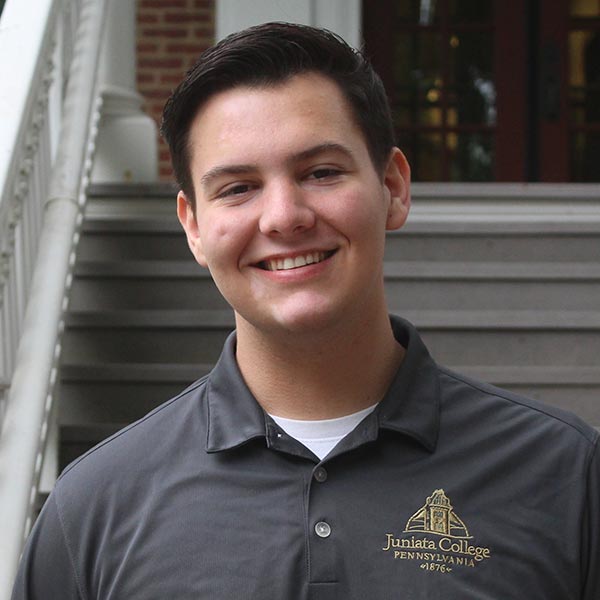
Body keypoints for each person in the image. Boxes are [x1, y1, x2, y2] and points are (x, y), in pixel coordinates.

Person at [12, 22, 599, 599]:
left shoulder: (568, 475)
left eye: (320, 172)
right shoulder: (95, 504)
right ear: (193, 225)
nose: (284, 217)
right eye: (238, 187)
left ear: (392, 187)